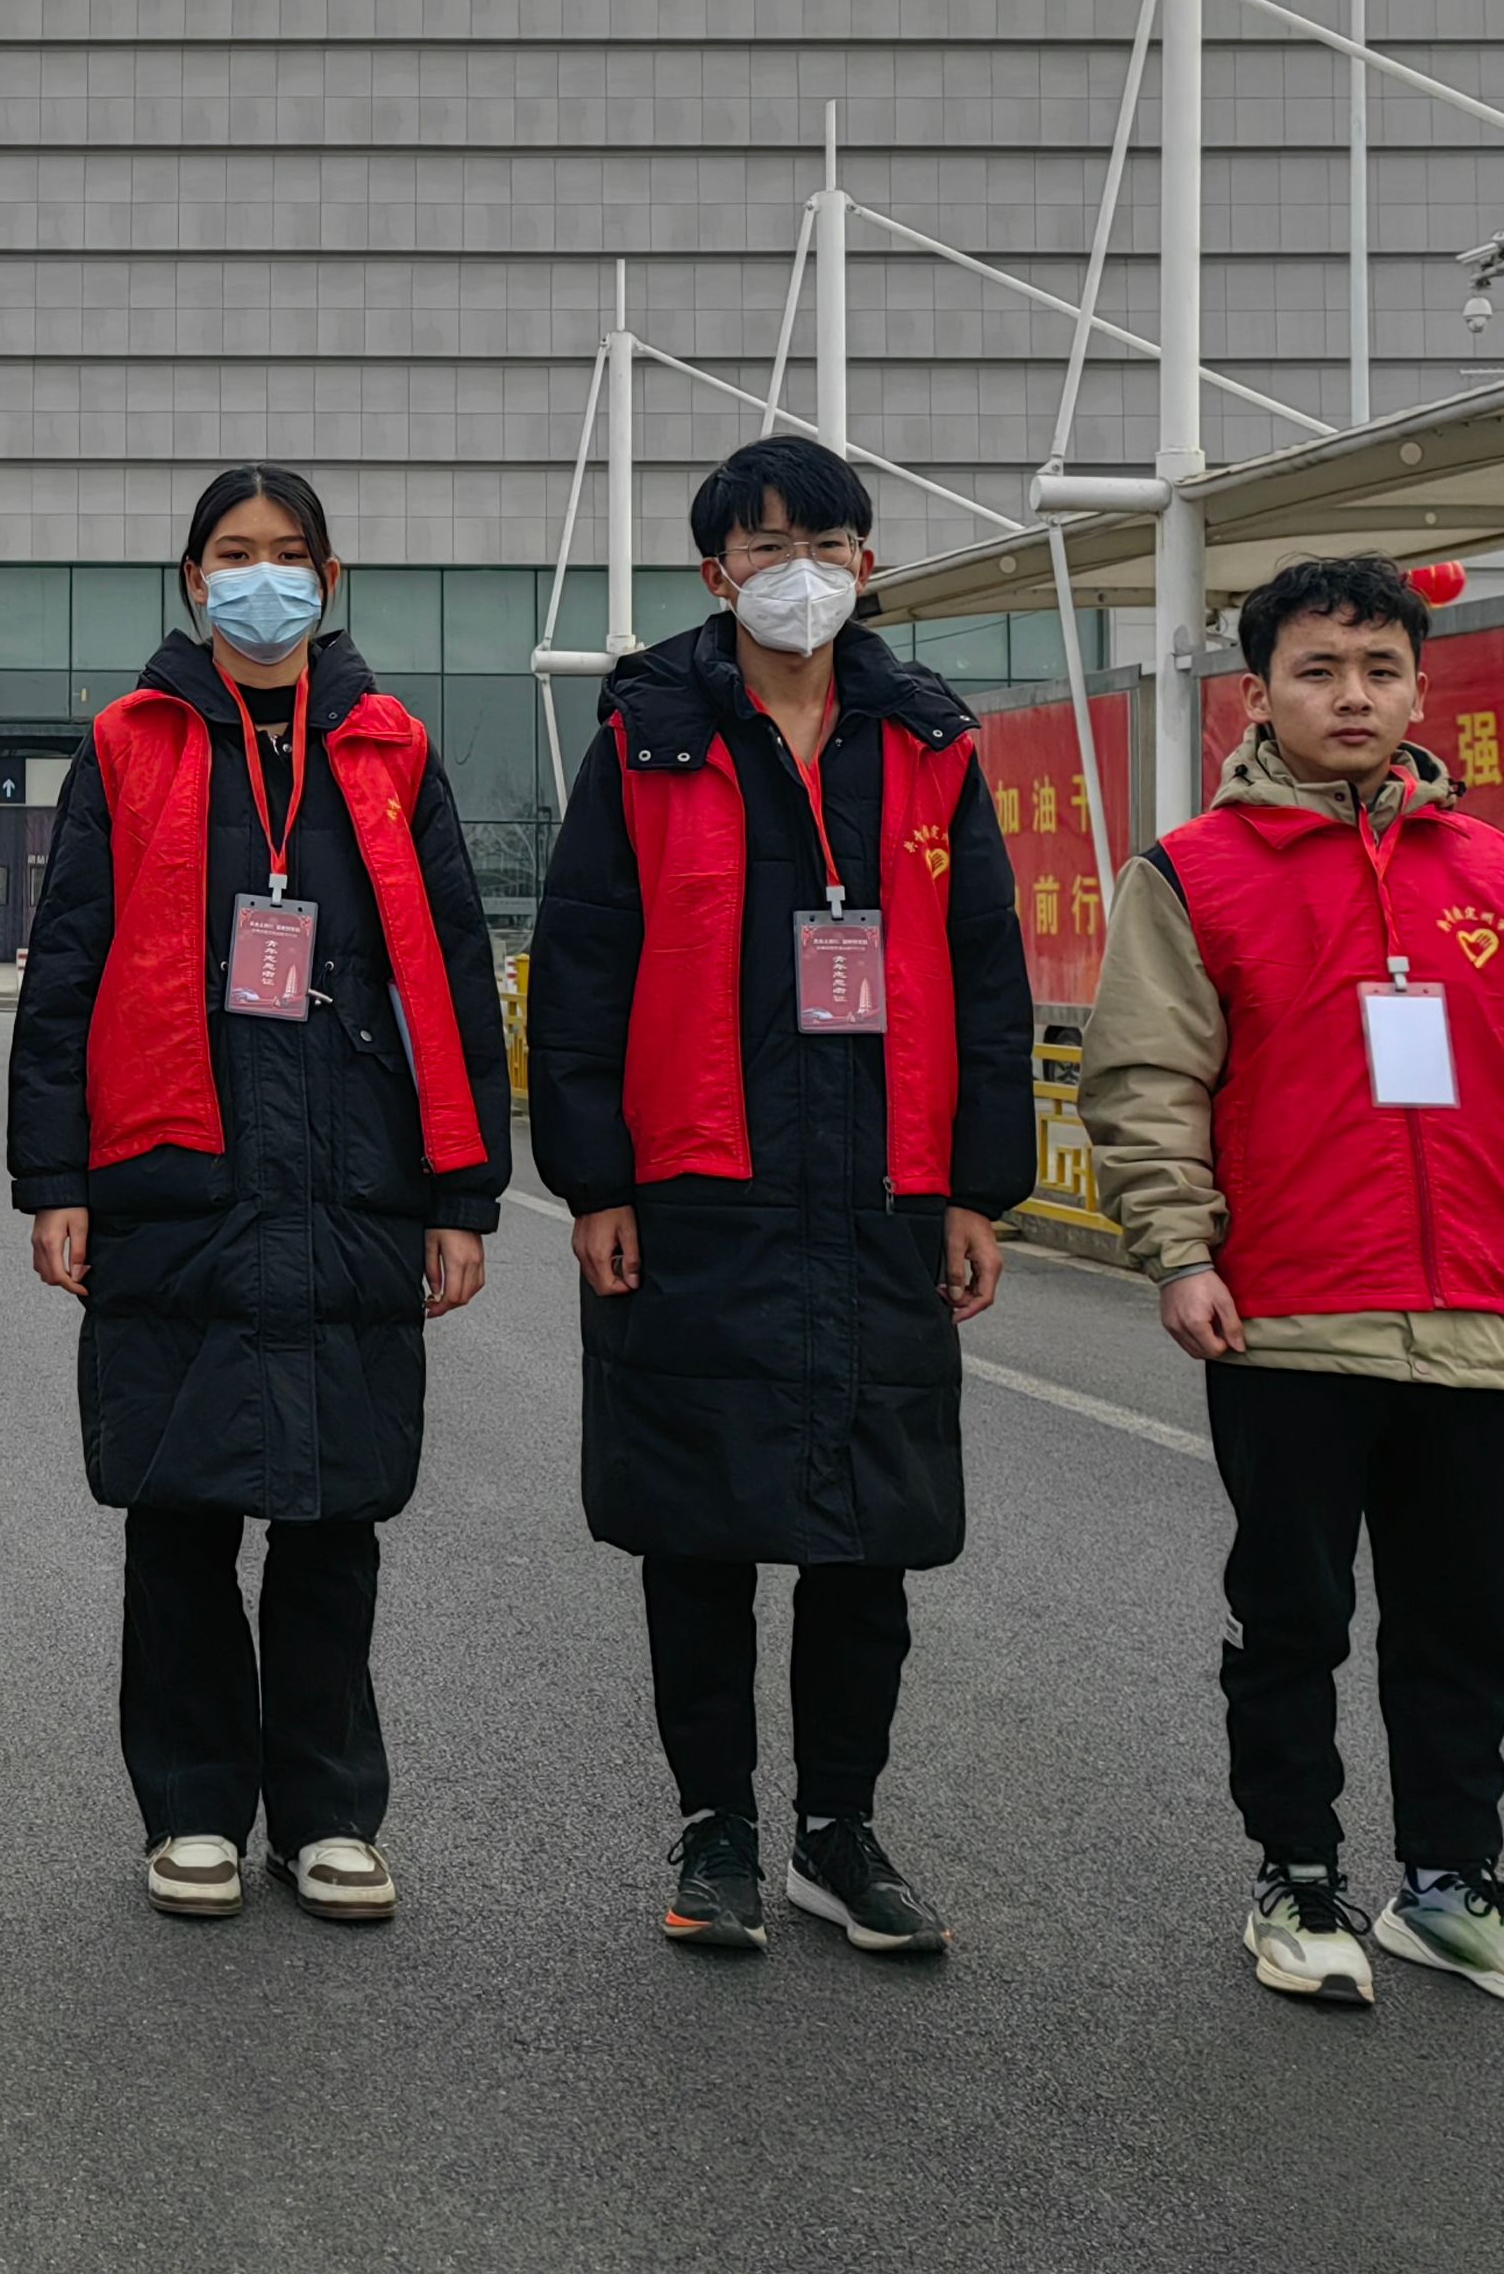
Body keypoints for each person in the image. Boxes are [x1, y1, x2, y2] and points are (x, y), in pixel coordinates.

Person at [1078, 554, 1504, 2015]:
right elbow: (1145, 1085)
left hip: (1473, 1315)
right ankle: (1297, 1879)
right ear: (1261, 693)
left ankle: (1449, 1886)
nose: (1354, 696)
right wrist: (1178, 1249)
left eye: (1381, 671)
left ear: (1421, 691)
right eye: (1320, 671)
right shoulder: (1194, 872)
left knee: (1464, 1623)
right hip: (1289, 1311)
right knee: (1294, 1615)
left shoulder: (1500, 873)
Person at [528, 432, 1031, 1958]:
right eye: (765, 547)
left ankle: (838, 1828)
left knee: (866, 1529)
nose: (798, 571)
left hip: (881, 1183)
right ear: (714, 572)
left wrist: (973, 1186)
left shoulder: (931, 740)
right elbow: (582, 966)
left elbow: (987, 969)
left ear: (868, 563)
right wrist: (593, 1177)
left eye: (827, 543)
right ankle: (717, 1827)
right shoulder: (647, 735)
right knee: (700, 1524)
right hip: (702, 1183)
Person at [6, 469, 511, 1923]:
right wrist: (58, 1177)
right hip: (174, 1167)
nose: (263, 580)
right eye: (235, 556)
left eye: (289, 556)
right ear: (191, 583)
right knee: (177, 1507)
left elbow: (456, 979)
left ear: (330, 580)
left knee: (333, 1512)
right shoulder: (131, 741)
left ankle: (331, 1813)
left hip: (352, 1175)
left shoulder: (389, 749)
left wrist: (460, 1196)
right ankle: (191, 1812)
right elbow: (69, 968)